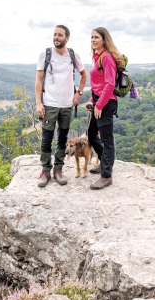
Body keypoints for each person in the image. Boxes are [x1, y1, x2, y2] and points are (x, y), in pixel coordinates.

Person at [35, 25, 87, 187]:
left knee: (62, 139)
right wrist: (38, 102)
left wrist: (78, 93)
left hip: (66, 106)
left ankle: (58, 169)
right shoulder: (46, 54)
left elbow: (84, 74)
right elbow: (38, 80)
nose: (56, 37)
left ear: (67, 38)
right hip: (49, 104)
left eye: (60, 35)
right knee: (46, 139)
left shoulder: (72, 55)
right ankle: (45, 170)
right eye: (54, 35)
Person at [86, 27, 124, 190]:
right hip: (97, 100)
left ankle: (106, 176)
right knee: (92, 134)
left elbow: (109, 84)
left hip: (106, 103)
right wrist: (92, 101)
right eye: (92, 37)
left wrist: (100, 105)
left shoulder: (107, 57)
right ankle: (104, 162)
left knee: (107, 139)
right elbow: (98, 84)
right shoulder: (97, 57)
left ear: (104, 39)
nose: (93, 40)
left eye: (96, 37)